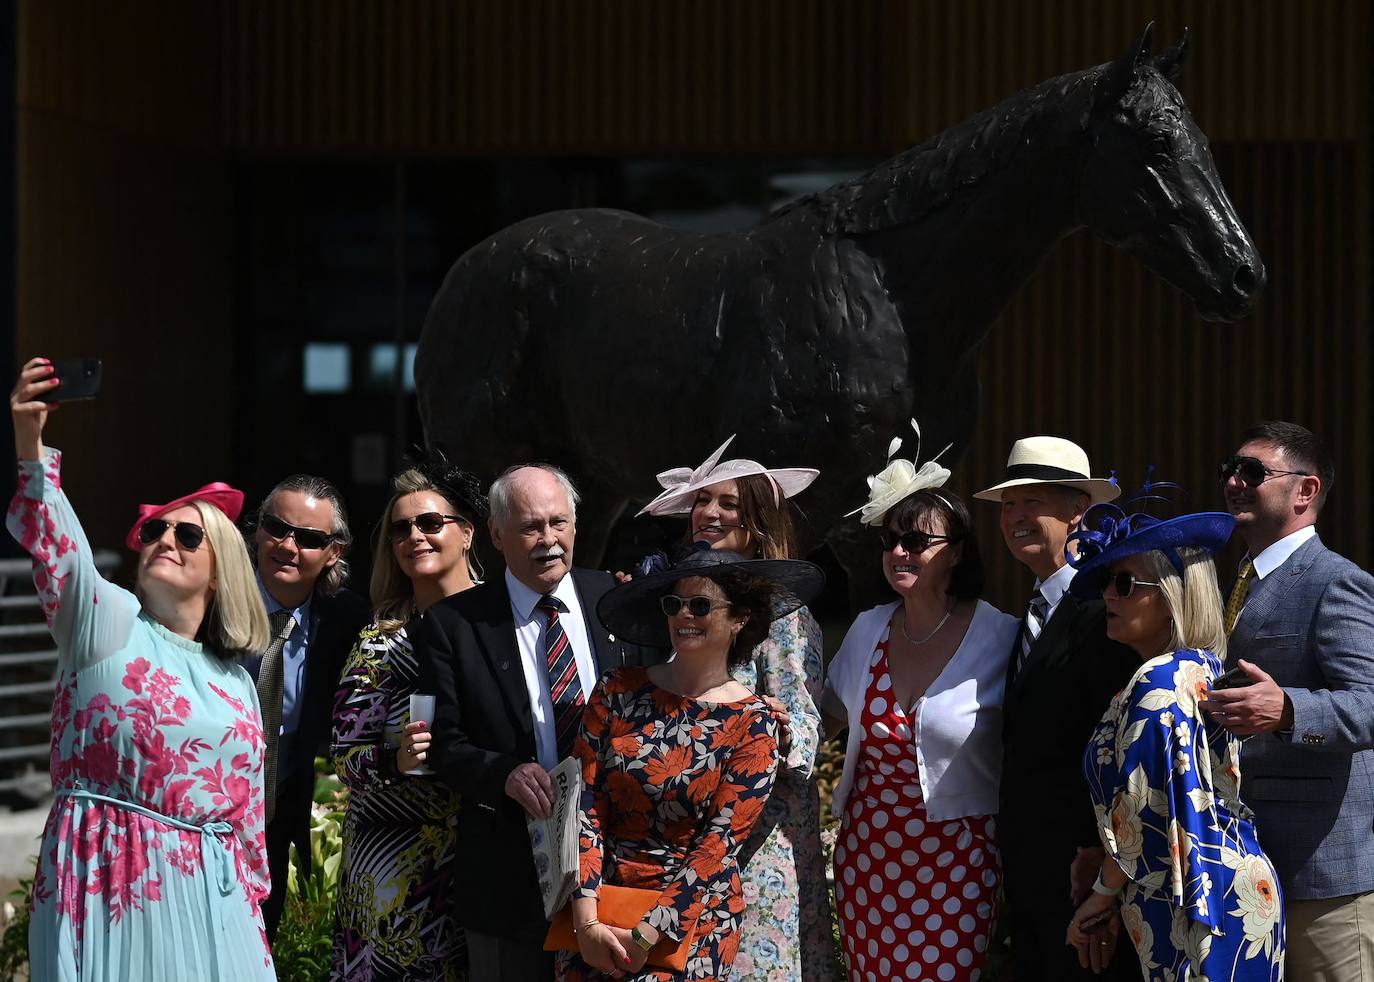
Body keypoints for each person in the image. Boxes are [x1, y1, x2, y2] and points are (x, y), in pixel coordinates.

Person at [8, 357, 274, 979]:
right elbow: (62, 548)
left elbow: (247, 826)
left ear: (222, 569)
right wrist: (29, 440)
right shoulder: (110, 621)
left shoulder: (236, 679)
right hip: (106, 879)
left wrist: (253, 917)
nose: (165, 540)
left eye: (189, 536)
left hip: (216, 901)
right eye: (156, 529)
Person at [415, 463, 660, 980]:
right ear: (497, 534)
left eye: (559, 523)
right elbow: (441, 745)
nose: (549, 539)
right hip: (512, 874)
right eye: (530, 526)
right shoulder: (452, 625)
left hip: (619, 867)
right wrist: (503, 773)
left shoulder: (618, 601)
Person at [560, 547, 823, 982]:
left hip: (691, 926)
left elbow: (718, 847)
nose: (684, 615)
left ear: (739, 619)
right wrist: (586, 918)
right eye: (674, 604)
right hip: (598, 912)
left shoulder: (755, 722)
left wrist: (644, 937)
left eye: (700, 605)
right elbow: (583, 803)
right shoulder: (616, 690)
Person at [822, 426, 1019, 982]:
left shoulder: (1000, 637)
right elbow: (825, 718)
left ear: (955, 552)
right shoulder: (866, 630)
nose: (899, 551)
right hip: (869, 857)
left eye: (916, 541)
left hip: (958, 862)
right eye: (889, 541)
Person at [1064, 488, 1286, 980]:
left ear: (1171, 595)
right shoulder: (1203, 667)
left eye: (1124, 583)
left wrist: (1099, 896)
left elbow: (1140, 815)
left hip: (1197, 901)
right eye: (1107, 582)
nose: (1107, 596)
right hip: (1231, 893)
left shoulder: (1159, 679)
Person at [637, 435, 831, 981]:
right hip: (679, 843)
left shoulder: (783, 618)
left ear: (758, 522)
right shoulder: (681, 605)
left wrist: (746, 737)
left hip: (757, 846)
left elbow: (803, 740)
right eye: (702, 500)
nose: (710, 512)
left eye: (728, 503)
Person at [1202, 421, 1374, 980]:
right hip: (1248, 868)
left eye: (1252, 472)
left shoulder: (1334, 581)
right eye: (1229, 469)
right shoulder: (1241, 581)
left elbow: (1370, 704)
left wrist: (1290, 710)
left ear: (1305, 491)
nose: (1233, 481)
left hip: (1320, 877)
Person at [972, 435, 1141, 981]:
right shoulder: (1031, 611)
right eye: (1009, 505)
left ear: (1078, 512)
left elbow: (1119, 749)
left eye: (1033, 502)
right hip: (1032, 877)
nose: (1016, 517)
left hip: (1084, 879)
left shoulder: (1104, 609)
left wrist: (1101, 860)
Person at [330, 454, 487, 981]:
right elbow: (345, 757)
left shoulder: (505, 628)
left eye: (429, 522)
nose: (414, 536)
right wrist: (395, 759)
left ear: (467, 533)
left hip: (485, 859)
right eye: (401, 528)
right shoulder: (380, 642)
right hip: (393, 872)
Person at [245, 472, 370, 940]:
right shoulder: (211, 601)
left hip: (282, 816)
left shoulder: (350, 620)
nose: (288, 546)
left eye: (310, 538)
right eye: (277, 528)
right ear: (257, 529)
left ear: (333, 552)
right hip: (201, 817)